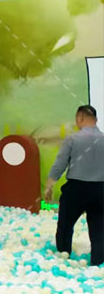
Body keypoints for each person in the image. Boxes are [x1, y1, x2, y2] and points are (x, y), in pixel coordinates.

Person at [44, 105, 104, 266]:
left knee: (65, 225)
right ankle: (98, 262)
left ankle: (63, 258)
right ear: (96, 120)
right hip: (100, 190)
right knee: (99, 229)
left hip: (76, 189)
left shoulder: (73, 139)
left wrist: (49, 185)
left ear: (80, 119)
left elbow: (60, 165)